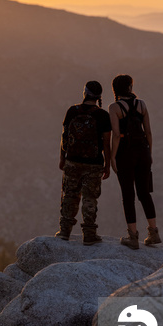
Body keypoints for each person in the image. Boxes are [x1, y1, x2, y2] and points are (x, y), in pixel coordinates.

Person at [56, 81, 111, 245]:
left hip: (72, 161)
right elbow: (106, 144)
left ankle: (64, 231)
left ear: (84, 93)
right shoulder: (103, 115)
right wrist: (107, 165)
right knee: (90, 198)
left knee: (70, 195)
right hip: (94, 164)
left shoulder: (72, 111)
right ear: (99, 97)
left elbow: (64, 137)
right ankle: (89, 234)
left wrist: (62, 158)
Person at [109, 74, 161, 249]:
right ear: (130, 87)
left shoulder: (115, 107)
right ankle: (153, 233)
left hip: (125, 154)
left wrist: (112, 157)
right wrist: (150, 153)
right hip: (143, 152)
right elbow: (149, 133)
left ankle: (133, 237)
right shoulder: (142, 105)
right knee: (144, 193)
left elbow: (116, 135)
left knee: (128, 195)